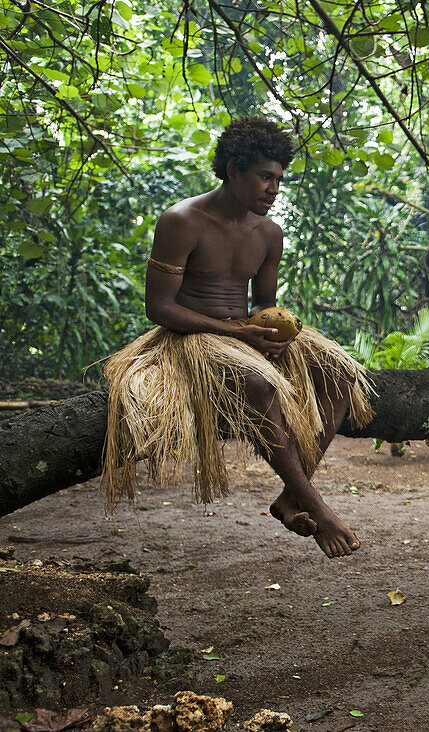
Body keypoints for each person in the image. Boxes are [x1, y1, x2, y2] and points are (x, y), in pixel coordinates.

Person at [100, 116, 374, 559]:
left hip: (242, 336)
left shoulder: (269, 234)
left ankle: (289, 497)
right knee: (258, 384)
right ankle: (315, 505)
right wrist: (237, 333)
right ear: (233, 170)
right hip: (191, 338)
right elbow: (160, 308)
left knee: (340, 372)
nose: (274, 188)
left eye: (279, 179)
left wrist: (273, 331)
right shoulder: (181, 221)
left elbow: (263, 302)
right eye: (265, 177)